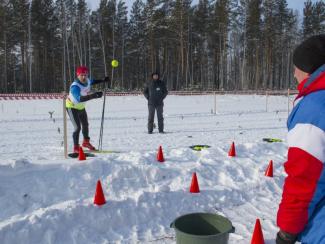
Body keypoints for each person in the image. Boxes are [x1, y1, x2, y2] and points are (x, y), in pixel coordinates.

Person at [276, 34, 325, 244]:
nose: (294, 73)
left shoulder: (314, 108)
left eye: (296, 67)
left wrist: (288, 229)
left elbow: (304, 177)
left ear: (309, 69)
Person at [66, 66, 109, 153]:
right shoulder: (75, 86)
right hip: (72, 107)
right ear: (78, 75)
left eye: (85, 75)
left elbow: (93, 81)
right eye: (82, 75)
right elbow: (79, 99)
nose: (84, 77)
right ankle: (76, 147)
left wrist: (103, 80)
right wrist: (94, 95)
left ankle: (86, 142)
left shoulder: (87, 80)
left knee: (85, 125)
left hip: (81, 107)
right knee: (77, 127)